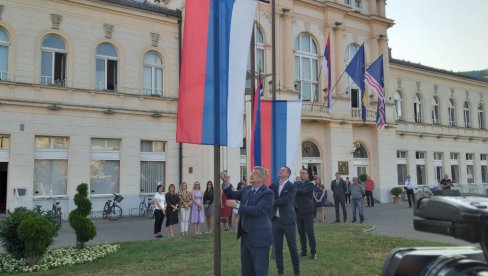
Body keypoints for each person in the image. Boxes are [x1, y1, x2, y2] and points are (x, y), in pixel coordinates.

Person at [221, 167, 274, 276]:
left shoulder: (268, 193)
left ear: (261, 178)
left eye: (254, 174)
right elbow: (232, 194)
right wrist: (226, 182)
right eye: (251, 173)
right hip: (245, 237)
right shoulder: (246, 189)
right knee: (246, 270)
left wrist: (237, 206)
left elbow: (258, 210)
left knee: (260, 270)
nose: (250, 175)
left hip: (260, 238)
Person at [270, 166, 300, 276]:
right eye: (280, 169)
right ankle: (280, 271)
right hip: (276, 221)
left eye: (283, 170)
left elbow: (286, 200)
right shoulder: (274, 185)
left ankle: (297, 271)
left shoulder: (292, 186)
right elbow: (266, 194)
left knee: (292, 247)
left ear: (287, 174)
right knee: (277, 248)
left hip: (288, 221)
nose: (280, 171)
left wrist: (271, 202)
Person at [295, 168, 317, 260]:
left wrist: (295, 189)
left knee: (310, 233)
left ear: (308, 175)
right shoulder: (298, 184)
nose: (301, 174)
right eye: (300, 173)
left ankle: (313, 252)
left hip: (307, 212)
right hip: (298, 211)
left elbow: (303, 192)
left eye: (303, 173)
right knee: (301, 233)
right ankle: (303, 251)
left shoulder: (310, 184)